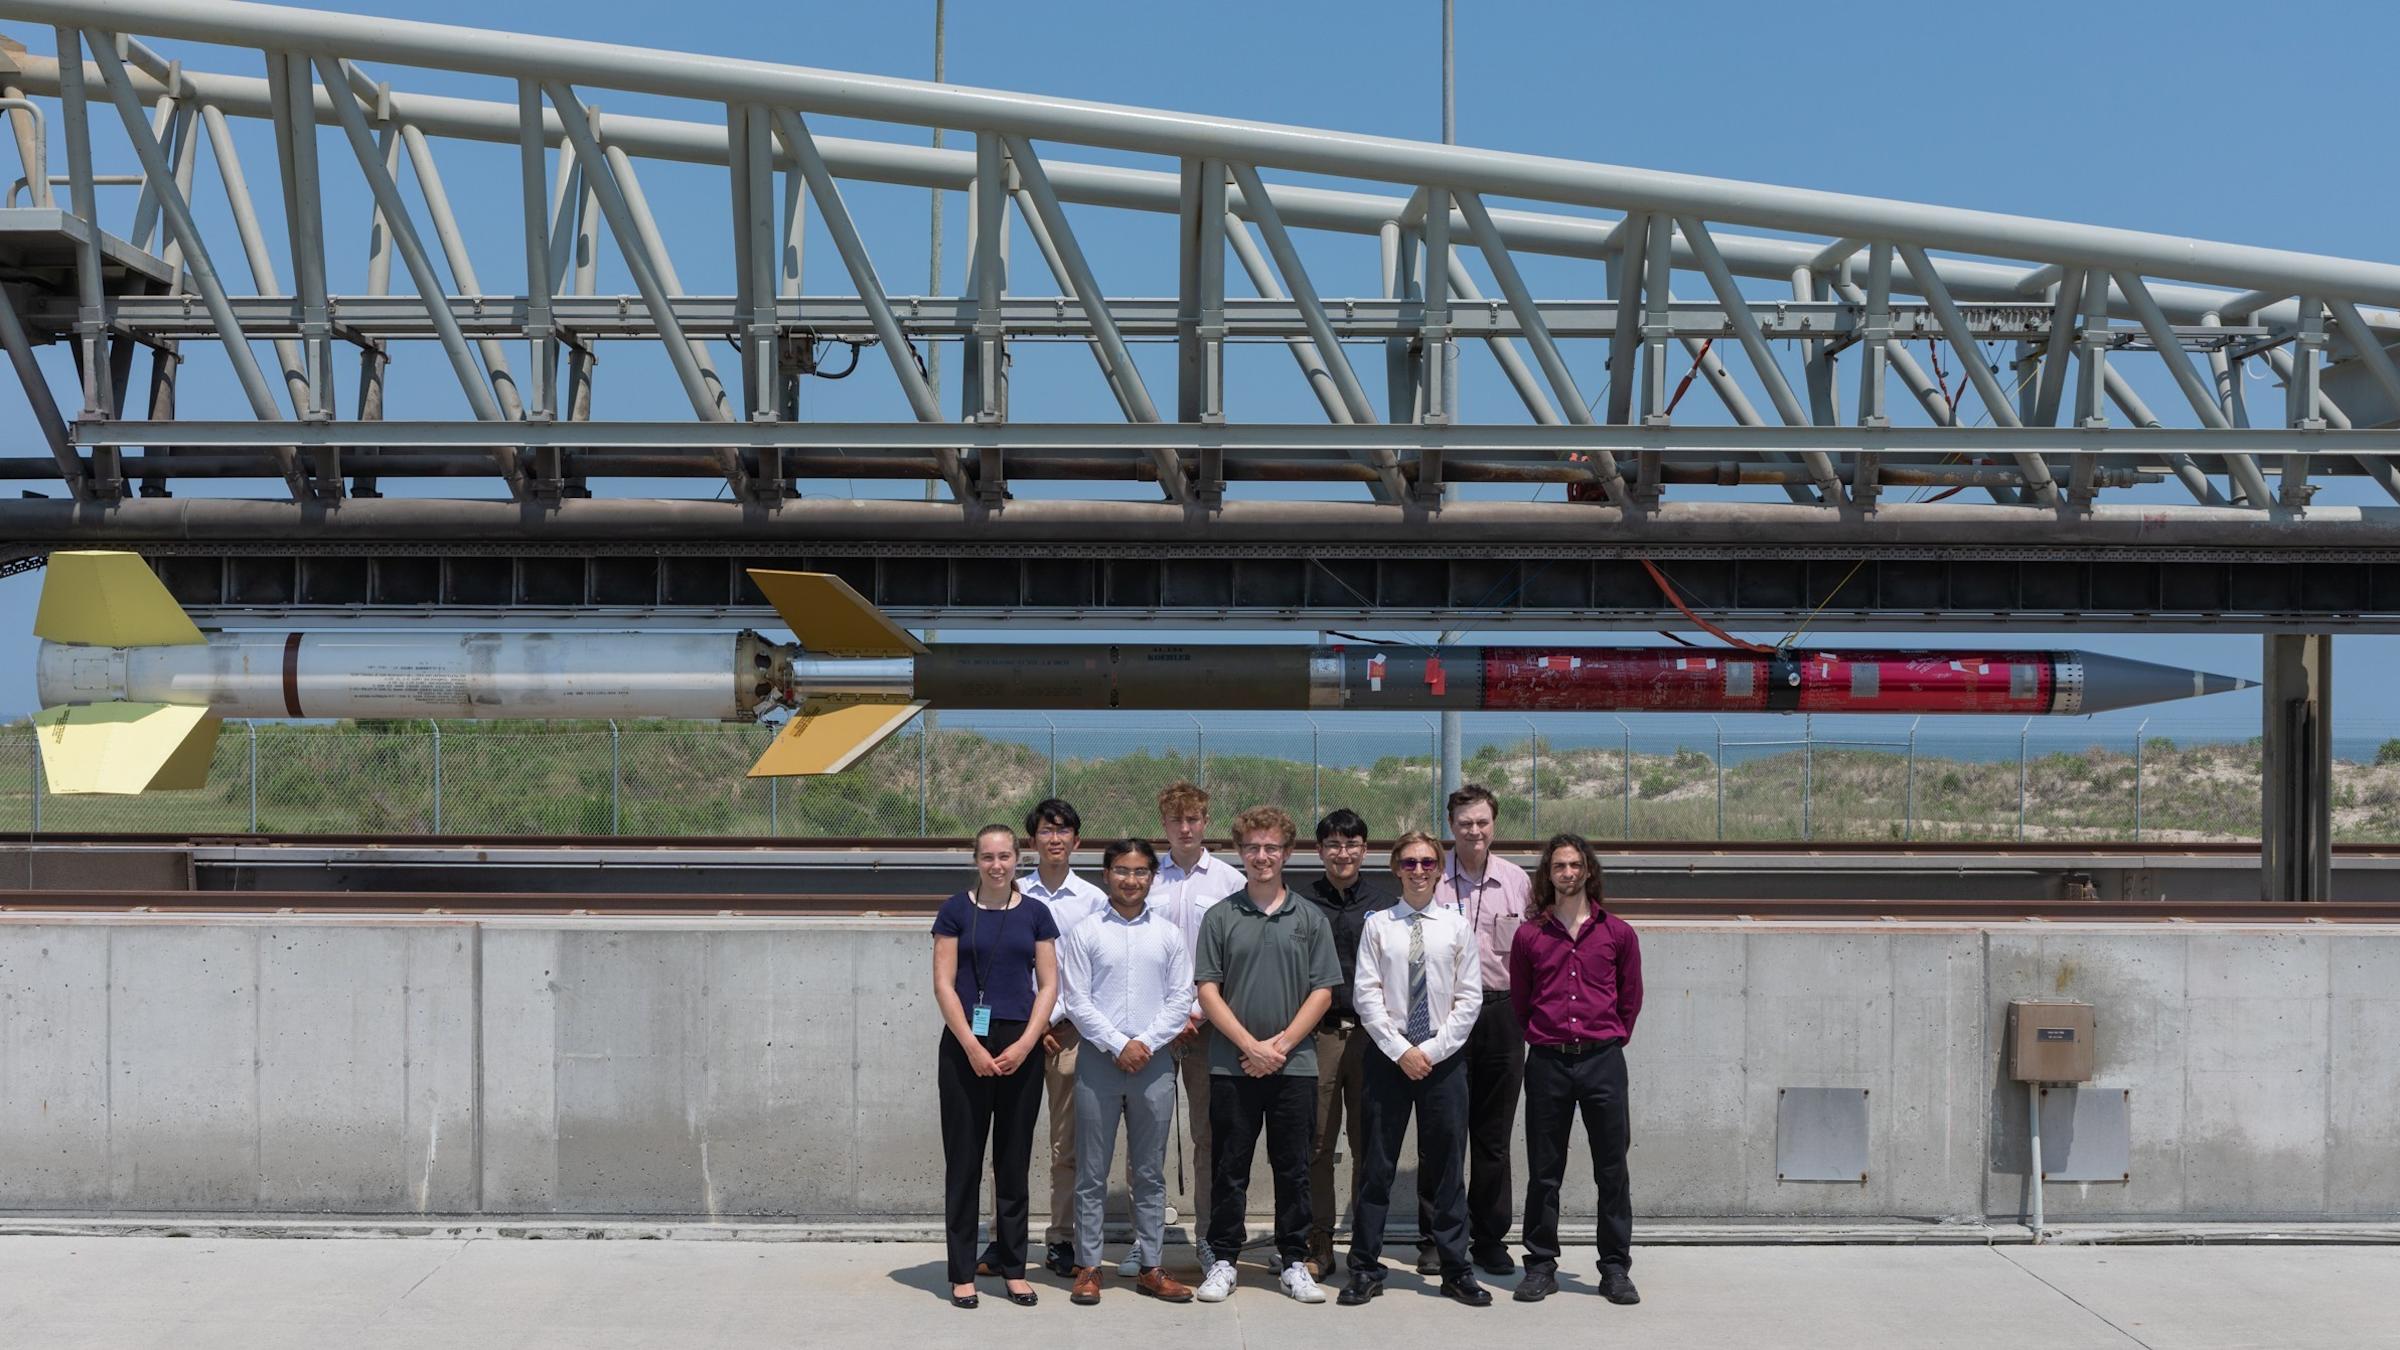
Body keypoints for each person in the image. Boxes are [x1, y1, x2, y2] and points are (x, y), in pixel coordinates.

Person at [1191, 804, 1342, 1306]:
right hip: (1230, 1064)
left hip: (1293, 1065)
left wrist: (1278, 1047)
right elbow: (1208, 990)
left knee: (1293, 1166)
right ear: (1240, 852)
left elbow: (1322, 991)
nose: (1262, 856)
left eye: (1271, 847)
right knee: (1230, 1166)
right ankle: (1225, 1260)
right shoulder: (1220, 916)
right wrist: (1249, 1046)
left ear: (1287, 853)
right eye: (1253, 847)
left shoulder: (1310, 918)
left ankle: (1294, 1260)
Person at [1341, 830, 1489, 1307]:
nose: (1419, 870)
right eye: (1409, 863)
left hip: (1443, 1063)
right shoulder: (1378, 925)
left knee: (1447, 1167)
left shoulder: (1455, 925)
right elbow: (1367, 994)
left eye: (1428, 862)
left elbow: (1470, 997)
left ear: (1439, 869)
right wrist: (1401, 1049)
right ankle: (1364, 1267)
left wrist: (1434, 1050)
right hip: (1389, 1060)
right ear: (1396, 869)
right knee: (1376, 1167)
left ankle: (1455, 1269)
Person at [1060, 839, 1198, 1306]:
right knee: (1092, 1173)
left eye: (1140, 871)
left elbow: (1181, 997)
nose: (1131, 880)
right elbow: (1076, 999)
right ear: (1106, 874)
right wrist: (1119, 1043)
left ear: (1152, 877)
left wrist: (1145, 1043)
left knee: (1149, 1173)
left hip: (1154, 1062)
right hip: (1099, 1061)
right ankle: (1089, 1267)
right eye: (1122, 870)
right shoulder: (1085, 933)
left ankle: (1152, 1266)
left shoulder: (1168, 934)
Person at [1508, 833, 1644, 1306]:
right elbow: (1521, 1003)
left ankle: (1614, 1269)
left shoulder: (1618, 933)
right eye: (1558, 866)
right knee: (1545, 1171)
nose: (1567, 872)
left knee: (1613, 1168)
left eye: (1574, 865)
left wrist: (1608, 1039)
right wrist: (1545, 1038)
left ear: (1588, 871)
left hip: (1603, 1061)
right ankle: (1541, 1265)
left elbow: (1631, 998)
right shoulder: (1529, 936)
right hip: (1547, 1062)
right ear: (1548, 874)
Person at [932, 824, 1060, 1309]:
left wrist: (1027, 1043)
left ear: (1017, 858)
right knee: (964, 1163)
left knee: (1013, 1164)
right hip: (966, 1046)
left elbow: (1047, 984)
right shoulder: (954, 911)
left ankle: (1012, 1268)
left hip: (1018, 1047)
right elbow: (944, 983)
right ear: (976, 860)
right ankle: (962, 1273)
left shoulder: (1035, 914)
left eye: (1005, 856)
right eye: (987, 856)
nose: (997, 865)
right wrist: (970, 1045)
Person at [1430, 782, 1531, 1276]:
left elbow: (1533, 953)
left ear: (1495, 825)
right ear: (1451, 826)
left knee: (1493, 1135)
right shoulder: (1432, 880)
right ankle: (1438, 1235)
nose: (1474, 831)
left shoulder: (1517, 883)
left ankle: (1489, 1238)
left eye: (1482, 822)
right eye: (1465, 823)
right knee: (1443, 1131)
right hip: (1443, 1015)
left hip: (1500, 1014)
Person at [1150, 780, 1246, 1268]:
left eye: (1193, 819)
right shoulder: (1148, 878)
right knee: (1148, 1132)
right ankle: (1147, 1246)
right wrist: (1164, 1018)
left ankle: (1210, 1239)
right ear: (1163, 824)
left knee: (1209, 1135)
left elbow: (1236, 957)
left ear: (1205, 823)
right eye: (1175, 820)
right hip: (1153, 1028)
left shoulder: (1229, 881)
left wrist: (1201, 1012)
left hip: (1209, 1028)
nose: (1185, 828)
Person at [1300, 808, 1397, 1278]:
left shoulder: (1385, 905)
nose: (1343, 852)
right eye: (1334, 844)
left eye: (1352, 843)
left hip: (1371, 1036)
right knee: (1316, 1143)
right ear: (1320, 851)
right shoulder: (1299, 904)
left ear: (1365, 849)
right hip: (1317, 1037)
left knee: (1367, 1143)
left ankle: (1364, 1241)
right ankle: (1319, 1240)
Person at [1019, 798, 1110, 1278]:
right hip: (1018, 1036)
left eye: (1063, 830)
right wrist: (1029, 1029)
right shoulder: (1012, 892)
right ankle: (1003, 1240)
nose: (1054, 838)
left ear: (1077, 839)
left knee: (1066, 1146)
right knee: (1008, 1142)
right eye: (1045, 831)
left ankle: (1062, 1238)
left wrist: (1060, 1022)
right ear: (1032, 840)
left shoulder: (1094, 899)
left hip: (1069, 1034)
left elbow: (1092, 974)